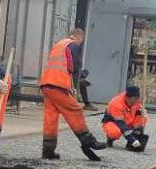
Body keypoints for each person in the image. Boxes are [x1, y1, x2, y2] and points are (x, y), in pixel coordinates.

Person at [39, 27, 106, 161]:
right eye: (82, 40)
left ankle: (48, 151)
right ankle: (88, 141)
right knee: (74, 110)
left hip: (46, 83)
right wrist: (82, 74)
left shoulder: (59, 45)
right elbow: (74, 65)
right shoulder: (72, 44)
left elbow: (63, 64)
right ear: (78, 37)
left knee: (51, 118)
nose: (81, 43)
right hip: (58, 84)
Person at [101, 85, 148, 152]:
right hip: (113, 122)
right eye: (134, 100)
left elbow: (138, 113)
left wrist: (141, 113)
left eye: (137, 99)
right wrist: (132, 140)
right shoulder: (116, 103)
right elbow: (121, 124)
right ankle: (110, 139)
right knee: (115, 132)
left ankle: (136, 134)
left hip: (128, 120)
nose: (135, 102)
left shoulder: (136, 100)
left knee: (143, 117)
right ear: (127, 98)